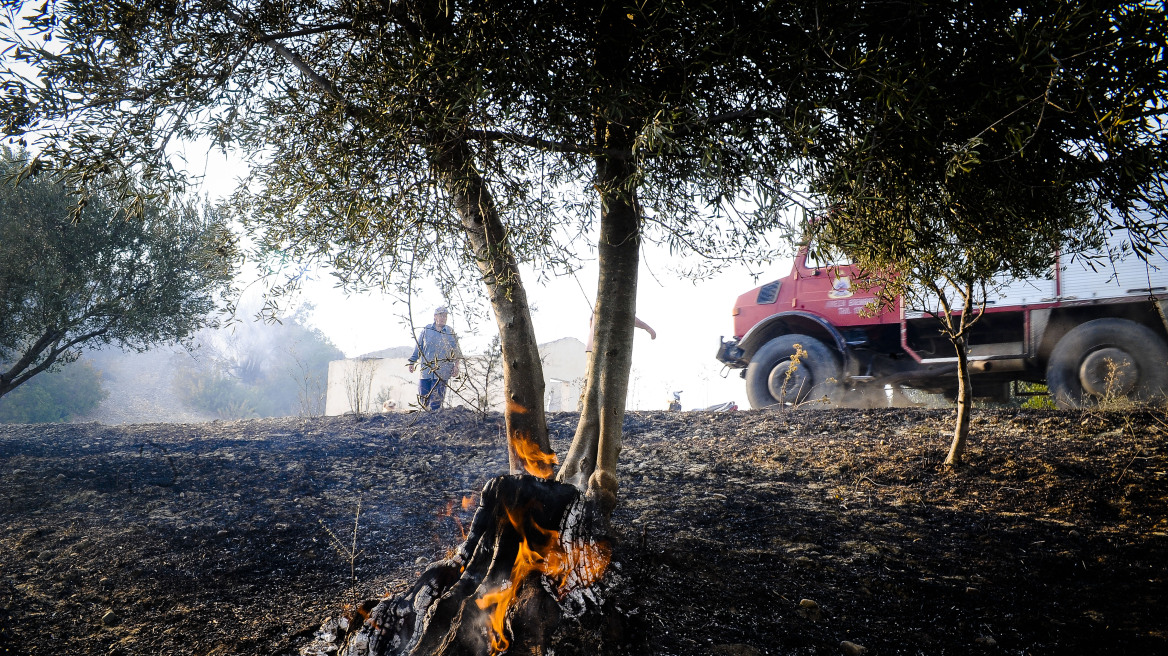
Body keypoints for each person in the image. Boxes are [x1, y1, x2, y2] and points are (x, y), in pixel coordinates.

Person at [407, 306, 463, 411]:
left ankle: (435, 423)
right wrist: (412, 362)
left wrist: (456, 366)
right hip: (426, 371)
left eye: (445, 316)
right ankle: (425, 423)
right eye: (441, 315)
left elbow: (456, 351)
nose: (443, 318)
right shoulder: (426, 330)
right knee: (423, 400)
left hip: (442, 372)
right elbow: (418, 347)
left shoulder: (450, 332)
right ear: (435, 316)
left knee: (436, 404)